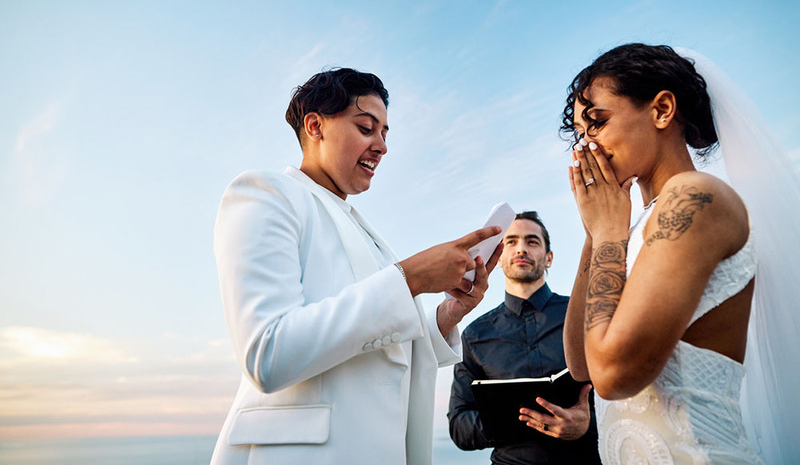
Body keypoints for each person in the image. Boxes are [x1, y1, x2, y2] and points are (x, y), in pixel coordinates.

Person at [209, 68, 503, 465]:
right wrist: (410, 278)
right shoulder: (267, 195)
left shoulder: (365, 232)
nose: (382, 146)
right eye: (366, 128)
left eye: (384, 133)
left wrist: (445, 317)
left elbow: (380, 349)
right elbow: (268, 352)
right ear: (315, 126)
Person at [561, 43, 800, 464]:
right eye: (580, 134)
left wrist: (609, 234)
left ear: (662, 110)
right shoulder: (624, 229)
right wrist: (596, 235)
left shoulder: (696, 197)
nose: (585, 147)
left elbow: (611, 375)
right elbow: (581, 365)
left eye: (597, 123)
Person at [448, 211, 601, 464]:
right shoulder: (475, 335)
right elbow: (458, 426)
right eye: (511, 241)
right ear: (499, 258)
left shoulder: (585, 315)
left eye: (532, 241)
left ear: (548, 258)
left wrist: (587, 425)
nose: (521, 249)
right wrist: (514, 417)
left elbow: (624, 398)